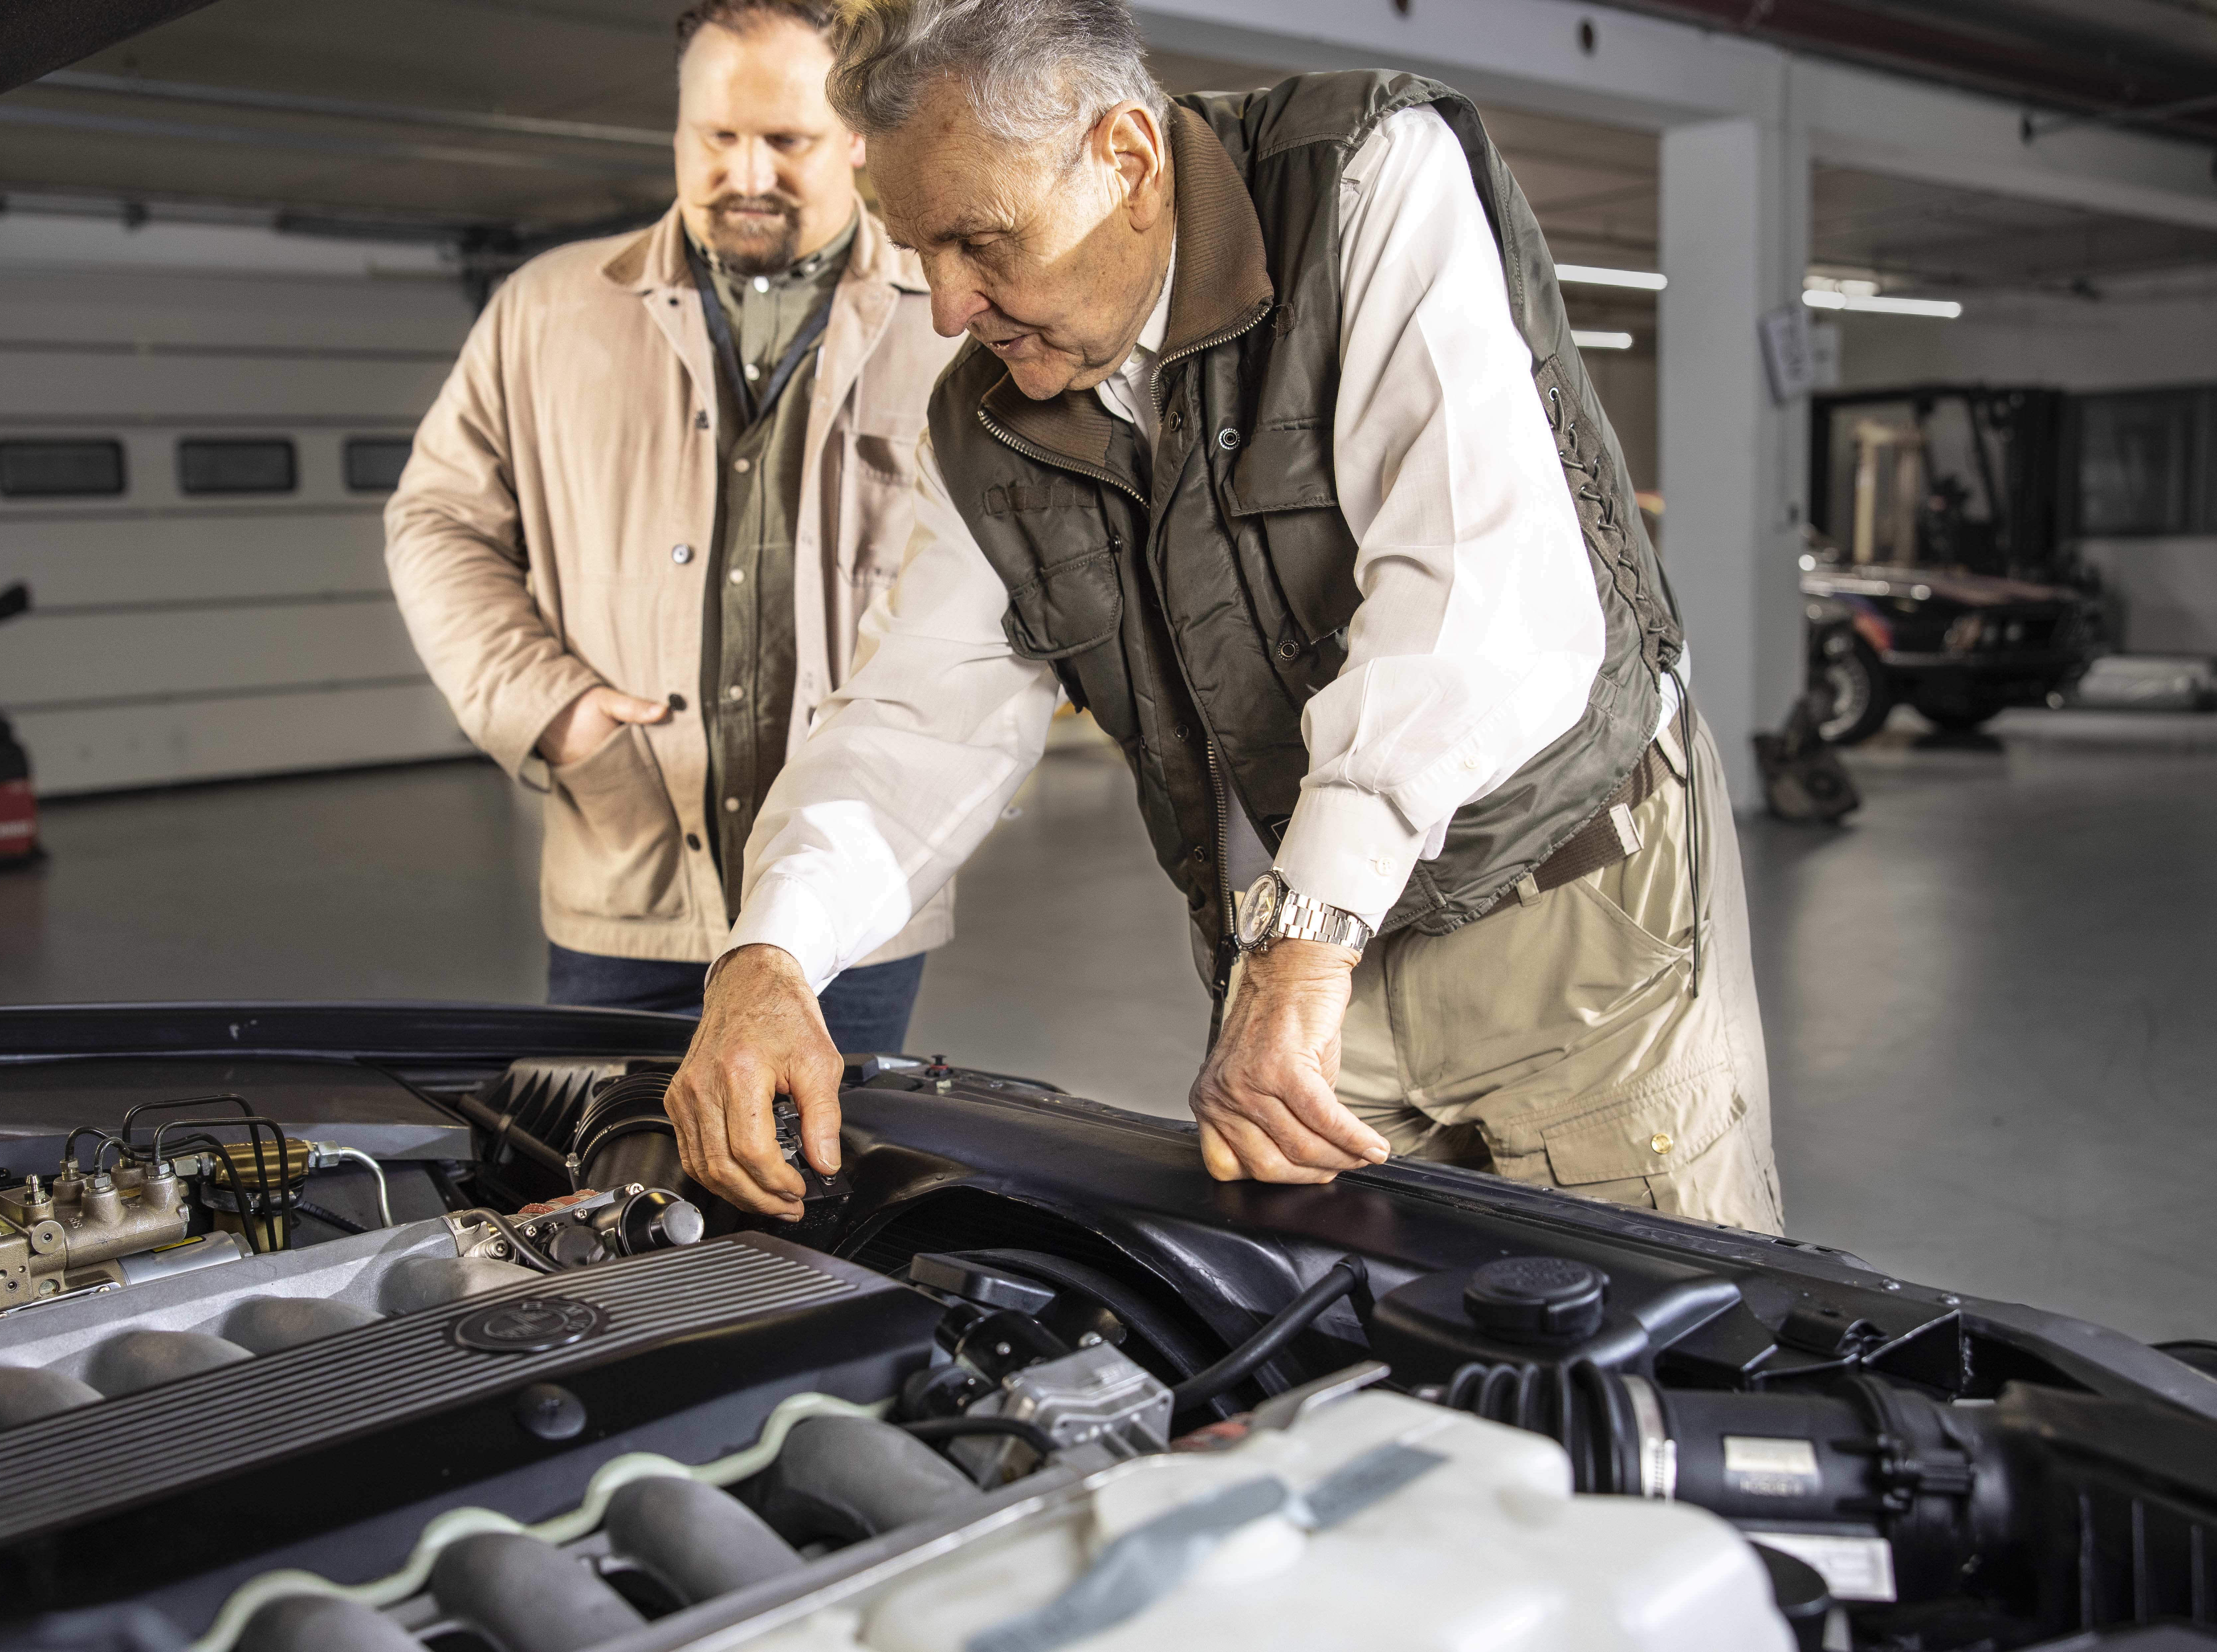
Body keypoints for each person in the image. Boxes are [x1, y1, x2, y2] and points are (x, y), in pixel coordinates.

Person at [663, 0, 1785, 1234]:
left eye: (979, 242)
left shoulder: (1359, 179)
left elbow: (1477, 594)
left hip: (1567, 913)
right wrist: (770, 954)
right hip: (1294, 950)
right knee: (1326, 1314)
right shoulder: (982, 419)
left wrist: (1302, 946)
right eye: (916, 249)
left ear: (1126, 161)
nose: (945, 307)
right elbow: (917, 715)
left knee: (1663, 1307)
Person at [386, 0, 960, 1054]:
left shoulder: (949, 320)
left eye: (785, 140)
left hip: (859, 885)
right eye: (716, 136)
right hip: (628, 880)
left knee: (826, 1155)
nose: (747, 174)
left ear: (856, 137)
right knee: (615, 1148)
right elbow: (436, 519)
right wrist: (546, 705)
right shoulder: (546, 309)